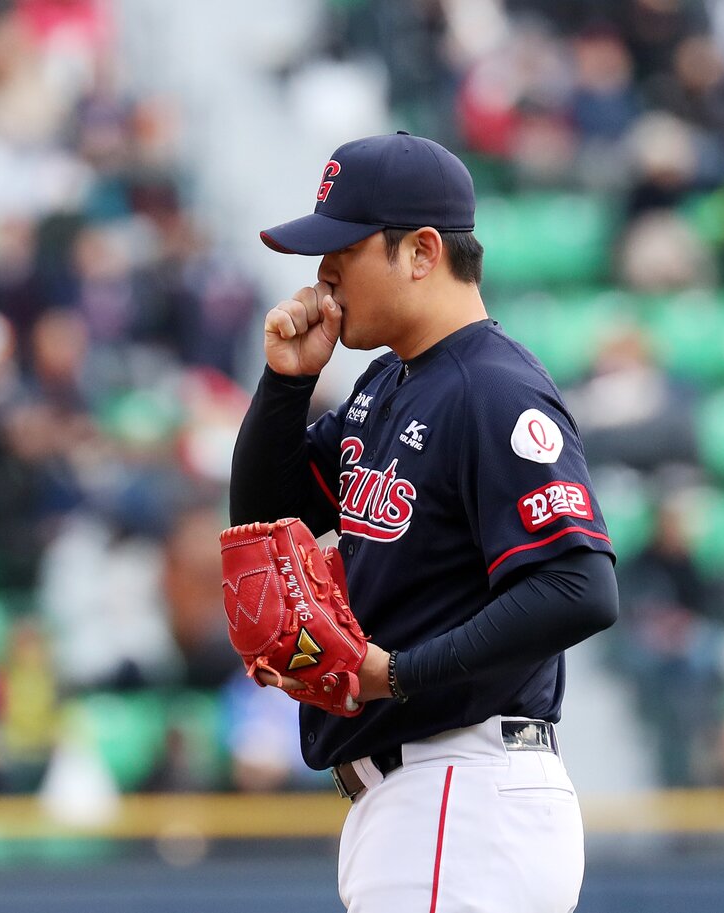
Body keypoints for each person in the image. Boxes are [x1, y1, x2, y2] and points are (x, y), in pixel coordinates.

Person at [229, 132, 618, 913]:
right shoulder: (387, 384)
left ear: (422, 251)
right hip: (425, 803)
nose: (324, 271)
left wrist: (399, 672)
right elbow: (268, 524)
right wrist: (283, 387)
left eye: (345, 246)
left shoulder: (493, 390)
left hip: (458, 790)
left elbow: (580, 587)